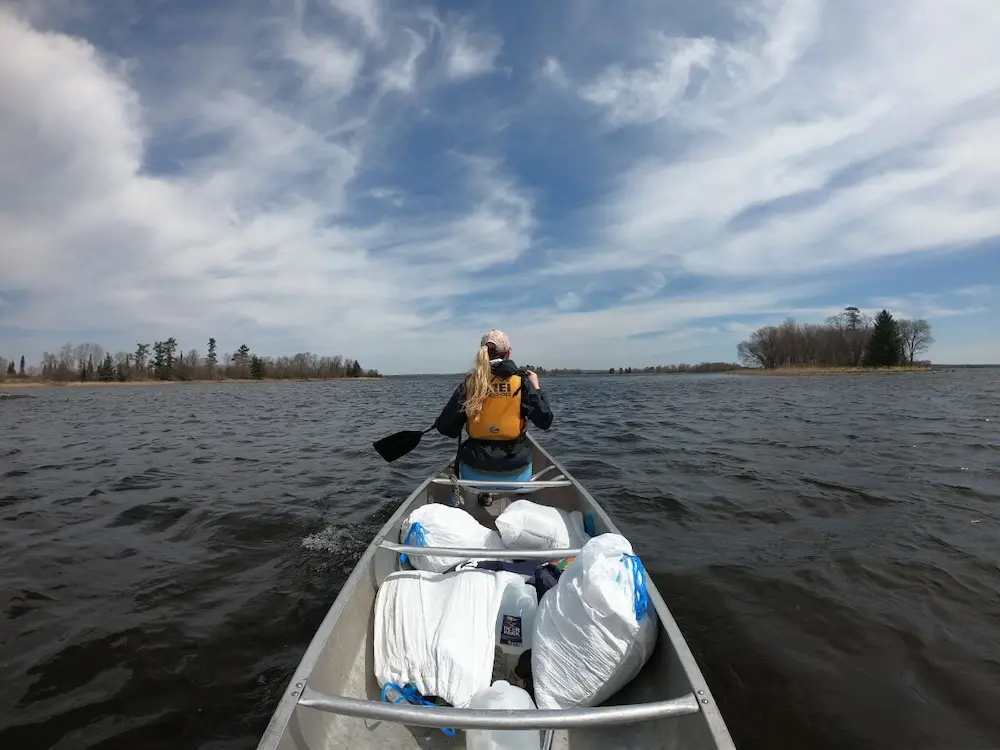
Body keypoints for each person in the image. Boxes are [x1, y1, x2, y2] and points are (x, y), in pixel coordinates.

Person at [435, 329, 553, 489]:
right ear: (508, 354)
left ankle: (485, 496)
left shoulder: (470, 383)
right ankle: (517, 497)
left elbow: (446, 428)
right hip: (516, 473)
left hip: (475, 473)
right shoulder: (521, 382)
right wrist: (536, 388)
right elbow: (545, 421)